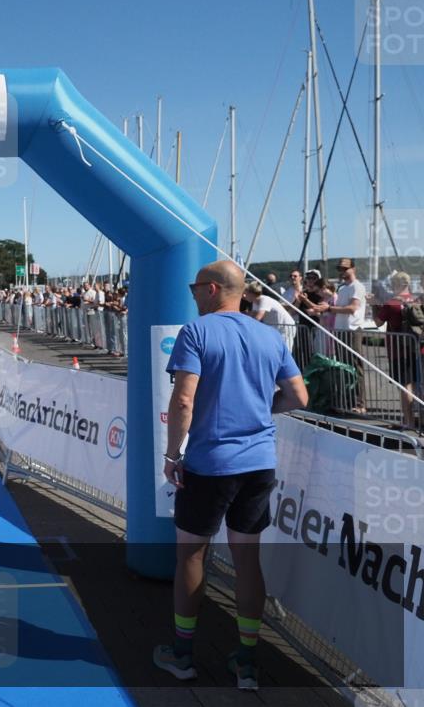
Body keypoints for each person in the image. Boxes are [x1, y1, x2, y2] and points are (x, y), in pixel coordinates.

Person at [153, 260, 308, 691]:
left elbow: (183, 402)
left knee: (191, 555)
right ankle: (247, 662)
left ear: (214, 289)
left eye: (195, 287)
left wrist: (171, 454)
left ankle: (182, 655)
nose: (193, 294)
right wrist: (261, 412)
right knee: (246, 560)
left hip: (210, 465)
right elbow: (298, 395)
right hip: (258, 463)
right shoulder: (268, 335)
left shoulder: (197, 331)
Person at [315, 258, 367, 413]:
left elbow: (352, 308)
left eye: (345, 269)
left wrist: (330, 308)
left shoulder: (357, 287)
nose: (342, 272)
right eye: (340, 269)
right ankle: (348, 400)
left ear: (353, 269)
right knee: (344, 367)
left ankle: (360, 403)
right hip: (341, 330)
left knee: (355, 366)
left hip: (352, 329)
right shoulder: (343, 287)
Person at [373, 271, 419, 430]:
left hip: (399, 350)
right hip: (416, 348)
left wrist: (374, 305)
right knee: (417, 385)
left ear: (398, 284)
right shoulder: (416, 301)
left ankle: (409, 422)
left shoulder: (391, 303)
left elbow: (378, 322)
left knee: (405, 386)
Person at [243, 281, 296, 351]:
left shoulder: (264, 300)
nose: (244, 296)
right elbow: (251, 315)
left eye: (245, 293)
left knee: (285, 350)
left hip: (285, 328)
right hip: (276, 328)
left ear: (251, 293)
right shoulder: (255, 302)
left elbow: (257, 318)